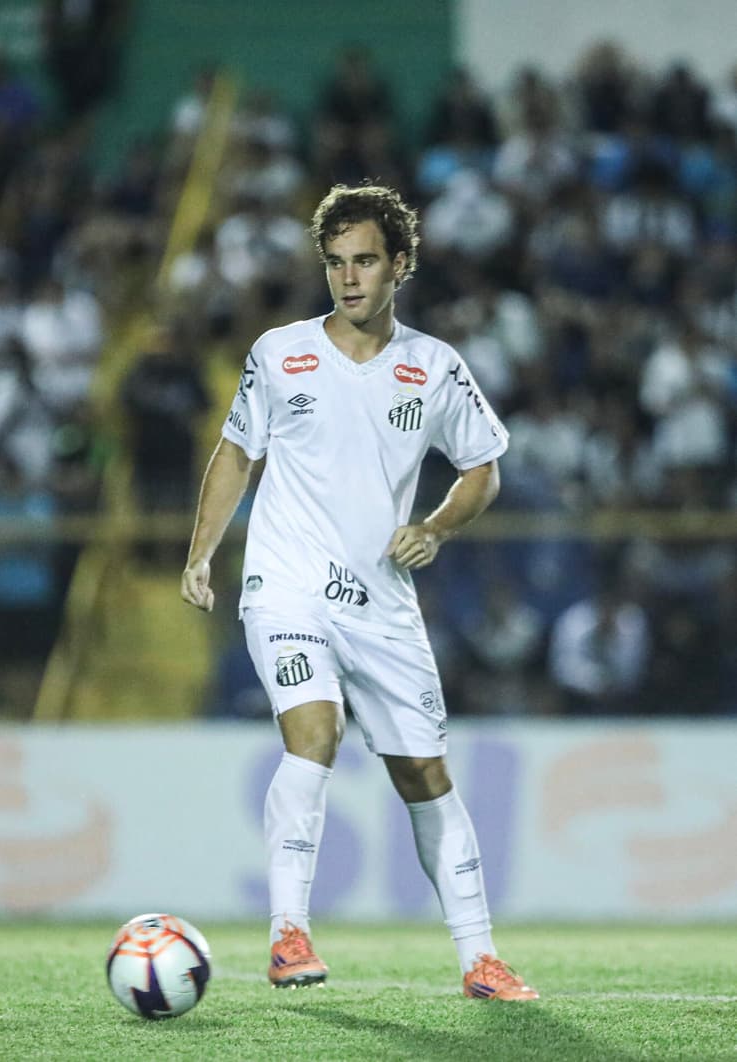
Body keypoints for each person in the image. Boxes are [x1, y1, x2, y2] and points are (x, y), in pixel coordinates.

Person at [181, 184, 538, 1002]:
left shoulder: (434, 367)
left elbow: (482, 469)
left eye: (366, 261)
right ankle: (288, 935)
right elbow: (237, 453)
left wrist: (439, 526)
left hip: (380, 600)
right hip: (287, 585)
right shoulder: (279, 352)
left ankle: (480, 958)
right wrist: (202, 553)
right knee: (315, 733)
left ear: (400, 265)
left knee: (424, 776)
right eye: (336, 262)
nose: (348, 279)